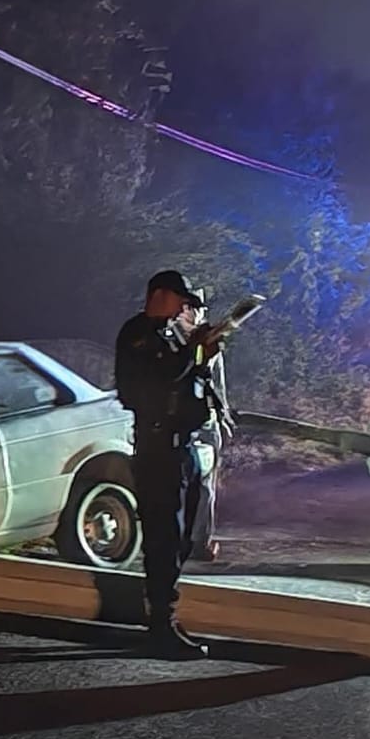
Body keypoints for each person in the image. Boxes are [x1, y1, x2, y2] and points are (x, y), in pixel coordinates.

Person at [114, 270, 218, 658]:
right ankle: (161, 625)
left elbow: (188, 378)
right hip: (157, 449)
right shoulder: (138, 334)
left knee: (183, 538)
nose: (184, 307)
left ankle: (165, 619)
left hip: (182, 446)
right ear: (160, 295)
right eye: (181, 299)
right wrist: (193, 351)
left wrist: (204, 355)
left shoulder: (172, 335)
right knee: (164, 539)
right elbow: (158, 380)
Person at [176, 298, 232, 563]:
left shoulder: (209, 341)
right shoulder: (168, 338)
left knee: (205, 485)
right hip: (178, 422)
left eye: (198, 309)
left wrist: (224, 414)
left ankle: (199, 541)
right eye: (191, 308)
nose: (194, 313)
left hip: (206, 421)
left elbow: (217, 383)